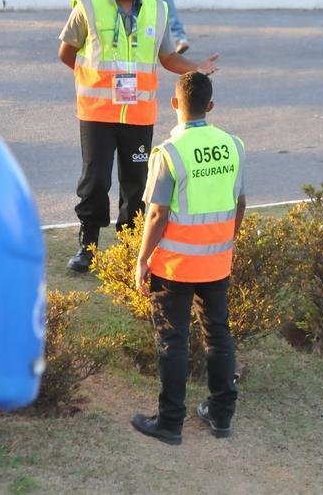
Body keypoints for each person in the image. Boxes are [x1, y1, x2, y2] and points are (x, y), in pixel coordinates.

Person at [59, 0, 219, 274]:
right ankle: (87, 248)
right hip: (97, 115)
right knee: (95, 180)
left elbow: (168, 57)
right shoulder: (89, 6)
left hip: (138, 115)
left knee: (136, 183)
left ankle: (131, 248)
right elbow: (67, 52)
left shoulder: (158, 10)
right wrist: (92, 80)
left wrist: (196, 68)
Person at [131, 72, 245, 445]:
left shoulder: (169, 153)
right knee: (219, 335)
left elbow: (156, 215)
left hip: (175, 266)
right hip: (217, 263)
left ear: (174, 103)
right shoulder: (233, 146)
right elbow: (239, 203)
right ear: (210, 107)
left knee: (173, 341)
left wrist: (142, 258)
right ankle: (221, 414)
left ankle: (170, 422)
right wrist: (227, 241)